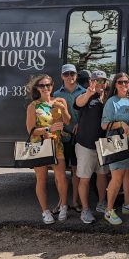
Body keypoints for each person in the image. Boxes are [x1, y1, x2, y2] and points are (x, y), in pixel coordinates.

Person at [25, 74, 71, 224]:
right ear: (37, 88)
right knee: (42, 179)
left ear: (52, 86)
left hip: (57, 144)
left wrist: (63, 109)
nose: (46, 88)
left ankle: (63, 206)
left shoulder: (60, 101)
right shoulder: (33, 106)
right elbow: (31, 130)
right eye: (42, 85)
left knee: (61, 177)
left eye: (48, 85)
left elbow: (67, 121)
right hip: (40, 145)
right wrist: (48, 129)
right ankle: (45, 211)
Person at [101, 72, 129, 225]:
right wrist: (121, 124)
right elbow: (104, 125)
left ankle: (127, 205)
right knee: (117, 177)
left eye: (126, 82)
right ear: (115, 85)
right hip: (116, 143)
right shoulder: (111, 101)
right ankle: (109, 211)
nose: (124, 84)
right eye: (120, 82)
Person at [73, 70, 109, 224]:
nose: (100, 83)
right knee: (85, 178)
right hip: (85, 145)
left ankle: (101, 203)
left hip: (103, 145)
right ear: (90, 82)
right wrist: (89, 93)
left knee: (102, 175)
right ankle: (85, 209)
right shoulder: (85, 96)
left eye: (102, 81)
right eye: (96, 80)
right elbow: (78, 103)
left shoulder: (108, 98)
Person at [53, 63, 86, 213]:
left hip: (79, 137)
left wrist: (81, 123)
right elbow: (54, 116)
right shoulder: (56, 95)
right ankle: (61, 202)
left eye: (72, 74)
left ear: (76, 75)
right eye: (66, 74)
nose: (69, 77)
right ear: (62, 76)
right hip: (62, 137)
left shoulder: (84, 92)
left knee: (76, 170)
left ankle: (75, 201)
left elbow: (88, 114)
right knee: (59, 173)